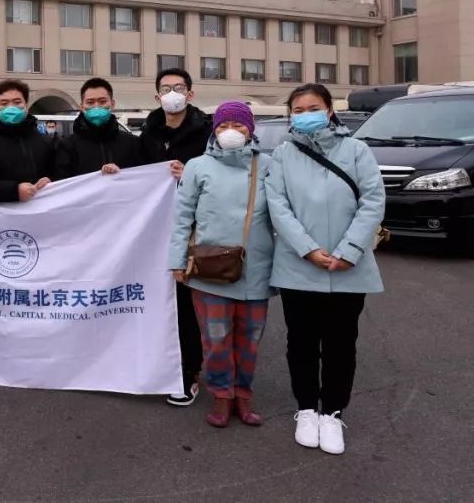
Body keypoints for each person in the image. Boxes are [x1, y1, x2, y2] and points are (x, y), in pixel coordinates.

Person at [266, 83, 385, 456]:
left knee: (340, 343)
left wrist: (350, 250)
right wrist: (308, 249)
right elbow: (277, 205)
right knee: (300, 342)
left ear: (330, 110)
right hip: (298, 265)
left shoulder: (357, 150)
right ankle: (306, 409)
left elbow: (373, 201)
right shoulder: (282, 154)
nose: (305, 115)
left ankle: (332, 412)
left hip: (348, 267)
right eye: (298, 110)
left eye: (313, 108)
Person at [167, 101, 276, 428]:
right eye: (224, 125)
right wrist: (177, 261)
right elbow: (182, 217)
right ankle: (222, 394)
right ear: (214, 129)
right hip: (208, 269)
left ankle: (243, 394)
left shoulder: (268, 165)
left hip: (256, 268)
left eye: (238, 125)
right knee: (215, 338)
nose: (231, 131)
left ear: (251, 129)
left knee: (249, 338)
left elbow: (282, 213)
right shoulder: (198, 166)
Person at [139, 67, 211, 408]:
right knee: (156, 301)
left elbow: (222, 179)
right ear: (157, 97)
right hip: (152, 233)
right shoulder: (147, 134)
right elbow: (135, 176)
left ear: (190, 94)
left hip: (193, 232)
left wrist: (190, 175)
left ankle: (189, 372)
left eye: (178, 88)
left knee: (185, 305)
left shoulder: (208, 133)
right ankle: (156, 365)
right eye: (165, 89)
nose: (172, 94)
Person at [0, 79, 55, 203]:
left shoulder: (45, 141)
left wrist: (51, 180)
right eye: (4, 103)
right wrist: (14, 191)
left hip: (41, 211)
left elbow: (61, 174)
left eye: (17, 102)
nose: (11, 107)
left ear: (26, 106)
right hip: (1, 214)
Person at [55, 78, 145, 179]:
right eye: (90, 102)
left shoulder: (132, 143)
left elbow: (142, 177)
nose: (96, 107)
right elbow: (62, 182)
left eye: (102, 101)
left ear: (112, 104)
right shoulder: (67, 146)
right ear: (82, 107)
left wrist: (121, 175)